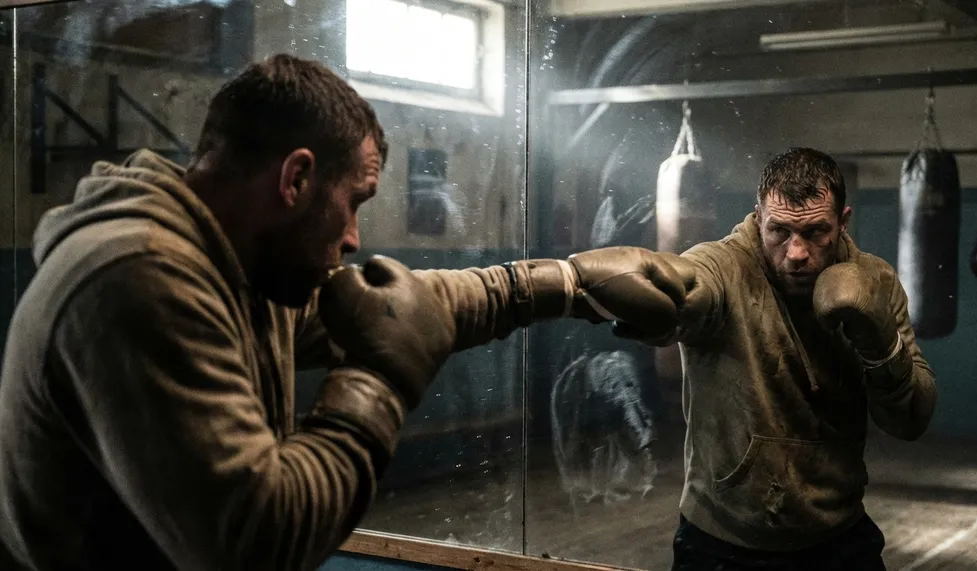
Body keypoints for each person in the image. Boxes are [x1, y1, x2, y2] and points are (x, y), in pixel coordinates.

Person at [0, 54, 685, 571]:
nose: (354, 238)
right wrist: (381, 379)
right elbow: (255, 541)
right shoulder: (141, 277)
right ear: (295, 179)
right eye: (354, 201)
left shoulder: (235, 263)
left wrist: (560, 280)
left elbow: (409, 305)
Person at [600, 147, 937, 570]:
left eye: (816, 232)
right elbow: (692, 283)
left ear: (843, 221)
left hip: (838, 534)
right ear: (759, 216)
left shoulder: (877, 281)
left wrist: (879, 344)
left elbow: (912, 418)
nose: (796, 252)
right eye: (779, 231)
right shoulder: (722, 265)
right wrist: (661, 304)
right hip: (722, 537)